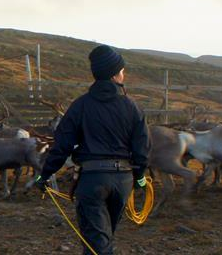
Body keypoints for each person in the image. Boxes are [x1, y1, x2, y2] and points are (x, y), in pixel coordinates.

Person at [35, 44, 149, 255]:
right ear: (115, 74)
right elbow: (142, 148)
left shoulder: (80, 106)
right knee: (103, 239)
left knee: (97, 244)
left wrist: (45, 175)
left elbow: (62, 145)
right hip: (123, 181)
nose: (124, 74)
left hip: (91, 180)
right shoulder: (133, 107)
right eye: (122, 70)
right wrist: (140, 177)